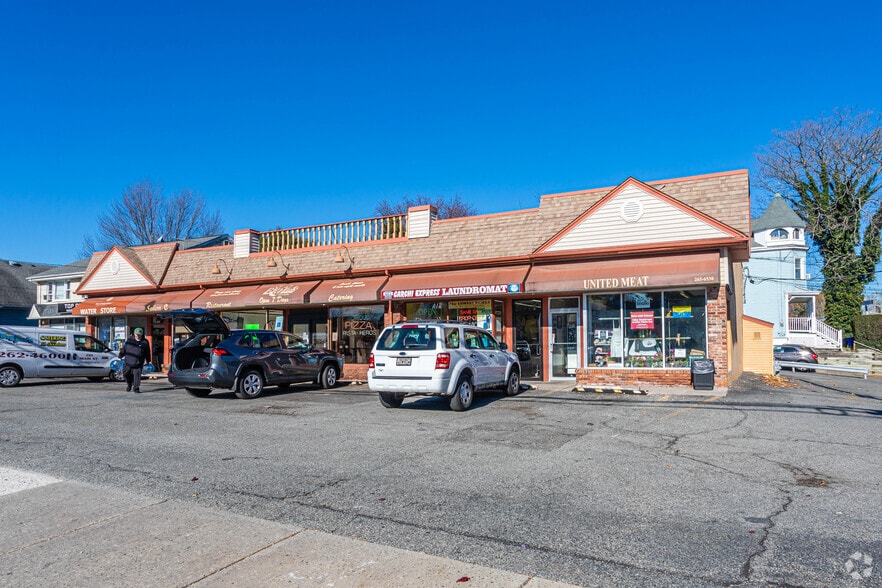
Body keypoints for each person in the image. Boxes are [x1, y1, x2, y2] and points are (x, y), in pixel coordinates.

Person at [118, 327, 151, 393]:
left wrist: (148, 360)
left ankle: (136, 388)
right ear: (134, 334)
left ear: (142, 334)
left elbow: (147, 352)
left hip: (138, 362)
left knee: (137, 376)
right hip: (128, 361)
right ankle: (129, 384)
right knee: (126, 374)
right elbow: (124, 349)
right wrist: (120, 356)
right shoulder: (129, 340)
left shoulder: (145, 342)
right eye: (136, 334)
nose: (138, 335)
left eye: (139, 334)